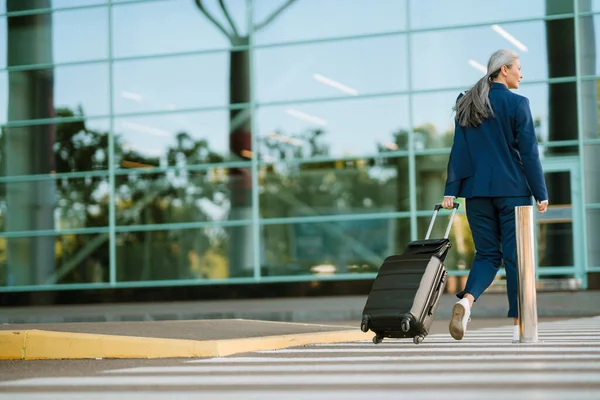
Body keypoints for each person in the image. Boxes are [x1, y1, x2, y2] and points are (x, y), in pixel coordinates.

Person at [441, 49, 549, 343]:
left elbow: (458, 151)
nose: (521, 74)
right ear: (503, 70)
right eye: (518, 68)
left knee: (487, 255)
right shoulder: (517, 103)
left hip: (476, 193)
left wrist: (452, 190)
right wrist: (541, 192)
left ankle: (466, 302)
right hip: (513, 192)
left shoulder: (468, 103)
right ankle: (518, 326)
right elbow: (529, 153)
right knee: (515, 258)